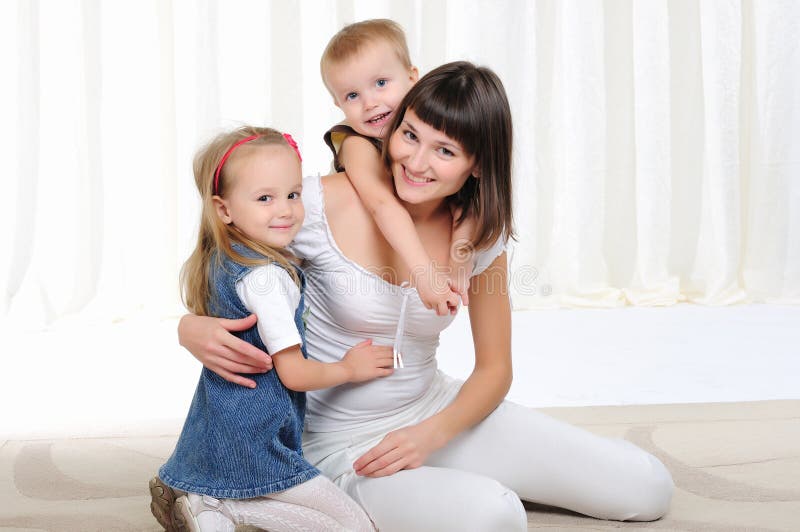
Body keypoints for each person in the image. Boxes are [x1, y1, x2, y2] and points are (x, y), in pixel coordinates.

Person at [167, 63, 674, 530]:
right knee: (495, 517)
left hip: (435, 411)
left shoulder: (478, 235)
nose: (415, 160)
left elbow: (495, 371)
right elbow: (231, 254)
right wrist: (190, 325)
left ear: (477, 166)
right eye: (409, 135)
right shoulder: (318, 204)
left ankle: (445, 477)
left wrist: (430, 436)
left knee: (647, 487)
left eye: (445, 151)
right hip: (338, 444)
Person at [152, 126, 387, 532]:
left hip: (221, 428)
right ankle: (225, 510)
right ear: (224, 209)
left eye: (293, 194)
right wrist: (350, 368)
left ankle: (209, 503)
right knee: (355, 527)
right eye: (265, 198)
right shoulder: (267, 279)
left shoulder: (224, 258)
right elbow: (293, 373)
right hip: (257, 441)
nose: (285, 209)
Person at [320, 19, 475, 318]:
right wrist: (425, 273)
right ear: (338, 104)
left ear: (412, 77)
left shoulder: (432, 127)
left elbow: (472, 200)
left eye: (380, 83)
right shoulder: (354, 142)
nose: (370, 103)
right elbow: (381, 204)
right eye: (352, 95)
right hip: (360, 251)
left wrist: (460, 257)